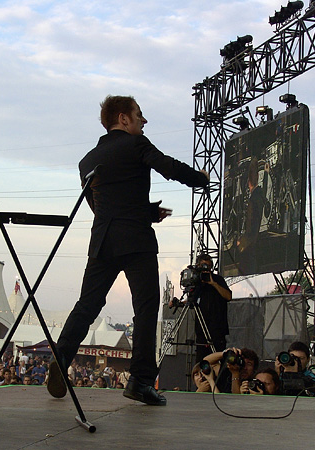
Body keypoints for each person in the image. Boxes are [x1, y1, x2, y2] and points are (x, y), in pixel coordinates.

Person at [47, 95, 209, 406]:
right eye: (139, 115)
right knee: (146, 310)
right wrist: (198, 179)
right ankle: (140, 381)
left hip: (104, 241)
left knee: (87, 305)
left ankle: (62, 356)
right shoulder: (136, 144)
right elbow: (169, 167)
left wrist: (147, 212)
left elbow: (103, 208)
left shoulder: (87, 160)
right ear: (124, 119)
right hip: (136, 241)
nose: (143, 121)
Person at [192, 253, 232, 362]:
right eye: (203, 266)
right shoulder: (197, 282)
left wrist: (213, 283)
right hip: (201, 331)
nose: (206, 269)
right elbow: (192, 301)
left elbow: (228, 296)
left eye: (208, 267)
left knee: (217, 363)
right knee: (201, 364)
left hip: (217, 330)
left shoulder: (217, 279)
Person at [236, 157, 264, 274]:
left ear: (248, 182)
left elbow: (251, 225)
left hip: (252, 244)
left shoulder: (253, 200)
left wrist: (242, 242)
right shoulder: (260, 195)